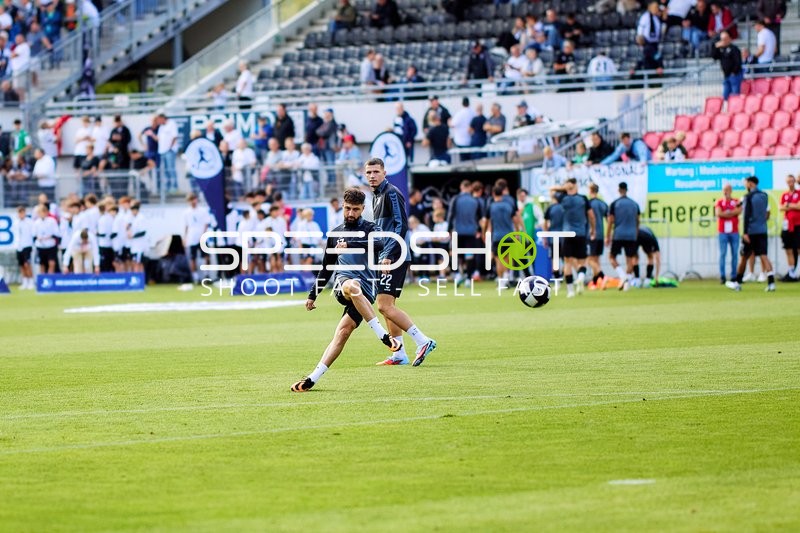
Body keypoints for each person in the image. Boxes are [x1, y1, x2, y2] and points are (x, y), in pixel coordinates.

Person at [291, 188, 403, 392]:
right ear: (343, 206)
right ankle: (383, 336)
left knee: (342, 333)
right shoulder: (334, 234)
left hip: (367, 290)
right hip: (344, 284)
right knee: (352, 285)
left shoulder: (371, 228)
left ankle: (312, 379)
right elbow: (327, 267)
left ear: (363, 209)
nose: (351, 213)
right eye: (348, 208)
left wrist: (350, 244)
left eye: (356, 210)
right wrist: (312, 295)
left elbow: (379, 244)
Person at [367, 158, 437, 366]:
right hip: (385, 256)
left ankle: (423, 340)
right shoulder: (376, 196)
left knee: (384, 305)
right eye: (369, 172)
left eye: (376, 172)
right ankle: (399, 354)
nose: (372, 175)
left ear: (384, 173)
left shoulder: (391, 193)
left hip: (394, 256)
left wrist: (388, 254)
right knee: (386, 305)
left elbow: (401, 226)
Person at [727, 176, 775, 292]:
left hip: (751, 232)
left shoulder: (747, 197)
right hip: (762, 230)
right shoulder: (764, 196)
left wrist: (745, 233)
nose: (745, 185)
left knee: (743, 257)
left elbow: (746, 215)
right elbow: (767, 213)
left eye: (746, 183)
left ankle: (737, 282)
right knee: (764, 255)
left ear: (750, 184)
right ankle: (771, 283)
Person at [558, 178, 595, 297]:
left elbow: (551, 191)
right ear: (576, 185)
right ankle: (580, 276)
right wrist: (593, 229)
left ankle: (570, 291)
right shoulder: (583, 199)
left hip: (567, 234)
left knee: (567, 262)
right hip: (580, 234)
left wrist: (564, 188)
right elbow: (591, 216)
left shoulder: (563, 199)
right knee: (582, 262)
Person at [606, 181, 640, 291]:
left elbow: (610, 221)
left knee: (611, 257)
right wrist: (636, 234)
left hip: (619, 234)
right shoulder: (635, 204)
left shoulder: (615, 203)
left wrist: (607, 236)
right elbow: (638, 221)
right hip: (631, 235)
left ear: (619, 190)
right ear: (627, 190)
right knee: (630, 260)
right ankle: (626, 284)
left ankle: (622, 276)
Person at [448, 179, 483, 284]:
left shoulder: (456, 199)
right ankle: (468, 277)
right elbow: (480, 217)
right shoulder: (475, 200)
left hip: (458, 231)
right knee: (469, 255)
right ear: (470, 188)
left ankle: (459, 273)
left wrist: (448, 229)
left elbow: (451, 215)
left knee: (456, 253)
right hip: (471, 232)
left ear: (461, 187)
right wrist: (479, 230)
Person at [486, 184, 520, 283]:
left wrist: (485, 233)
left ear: (493, 194)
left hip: (497, 236)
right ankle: (506, 276)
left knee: (498, 260)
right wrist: (517, 233)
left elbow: (488, 222)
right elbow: (515, 220)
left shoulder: (491, 207)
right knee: (507, 258)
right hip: (509, 235)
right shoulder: (509, 206)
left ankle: (501, 280)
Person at [716, 183, 741, 284]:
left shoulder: (736, 201)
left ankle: (733, 275)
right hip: (723, 232)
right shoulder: (719, 202)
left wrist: (727, 213)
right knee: (723, 254)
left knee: (735, 254)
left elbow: (739, 211)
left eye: (727, 189)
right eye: (724, 190)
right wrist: (731, 213)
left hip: (734, 231)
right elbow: (718, 213)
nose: (726, 192)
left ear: (731, 190)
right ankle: (722, 276)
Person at [184, 193, 212, 282]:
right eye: (190, 200)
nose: (193, 202)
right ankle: (196, 277)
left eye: (194, 199)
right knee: (193, 258)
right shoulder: (186, 212)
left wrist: (203, 235)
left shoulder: (202, 211)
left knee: (206, 256)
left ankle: (206, 275)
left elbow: (206, 223)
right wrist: (185, 237)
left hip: (202, 237)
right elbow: (186, 226)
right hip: (192, 238)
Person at [779, 174, 800, 281]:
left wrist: (788, 205)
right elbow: (780, 208)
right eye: (788, 182)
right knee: (789, 249)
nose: (790, 183)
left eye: (792, 181)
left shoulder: (799, 193)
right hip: (787, 225)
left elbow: (799, 206)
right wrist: (793, 205)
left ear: (795, 182)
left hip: (798, 225)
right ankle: (791, 273)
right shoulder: (784, 195)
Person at [587, 183, 608, 284]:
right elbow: (608, 219)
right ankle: (596, 282)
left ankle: (602, 275)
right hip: (601, 234)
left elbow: (590, 217)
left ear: (590, 190)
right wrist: (608, 234)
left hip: (591, 234)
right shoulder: (602, 203)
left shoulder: (588, 203)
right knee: (596, 259)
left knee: (590, 259)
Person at [712, 31, 743, 101]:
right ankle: (728, 108)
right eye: (722, 39)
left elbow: (738, 62)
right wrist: (715, 47)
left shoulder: (734, 49)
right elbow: (714, 56)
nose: (723, 41)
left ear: (729, 39)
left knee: (735, 94)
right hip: (726, 75)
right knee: (725, 95)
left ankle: (735, 107)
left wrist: (734, 72)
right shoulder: (721, 49)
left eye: (725, 39)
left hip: (734, 75)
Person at [636, 2, 664, 71]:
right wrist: (640, 39)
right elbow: (641, 28)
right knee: (650, 59)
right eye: (655, 7)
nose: (656, 9)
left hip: (654, 43)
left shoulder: (656, 18)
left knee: (654, 58)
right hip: (647, 43)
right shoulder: (645, 17)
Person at [33, 204, 59, 274]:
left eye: (44, 212)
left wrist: (48, 237)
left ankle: (50, 279)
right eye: (40, 212)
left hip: (50, 245)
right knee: (42, 264)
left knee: (52, 263)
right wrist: (38, 238)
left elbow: (56, 233)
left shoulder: (52, 221)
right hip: (40, 246)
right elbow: (34, 234)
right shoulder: (36, 222)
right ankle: (43, 280)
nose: (42, 214)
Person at [157, 113, 179, 193]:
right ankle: (169, 187)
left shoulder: (171, 123)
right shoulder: (161, 127)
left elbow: (175, 136)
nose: (158, 121)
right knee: (166, 170)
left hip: (169, 151)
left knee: (171, 169)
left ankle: (174, 187)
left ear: (163, 118)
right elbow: (159, 138)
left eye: (159, 119)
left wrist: (170, 148)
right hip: (162, 151)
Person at [14, 205, 34, 289]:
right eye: (19, 213)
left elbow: (32, 233)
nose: (21, 214)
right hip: (19, 246)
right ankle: (25, 281)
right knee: (21, 265)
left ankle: (31, 281)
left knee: (27, 264)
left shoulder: (29, 222)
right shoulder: (16, 222)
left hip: (27, 245)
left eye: (22, 212)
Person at [127, 201, 147, 273]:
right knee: (135, 262)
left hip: (139, 246)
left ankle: (140, 280)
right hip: (134, 245)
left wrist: (133, 236)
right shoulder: (133, 218)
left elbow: (143, 232)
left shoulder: (141, 218)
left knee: (138, 263)